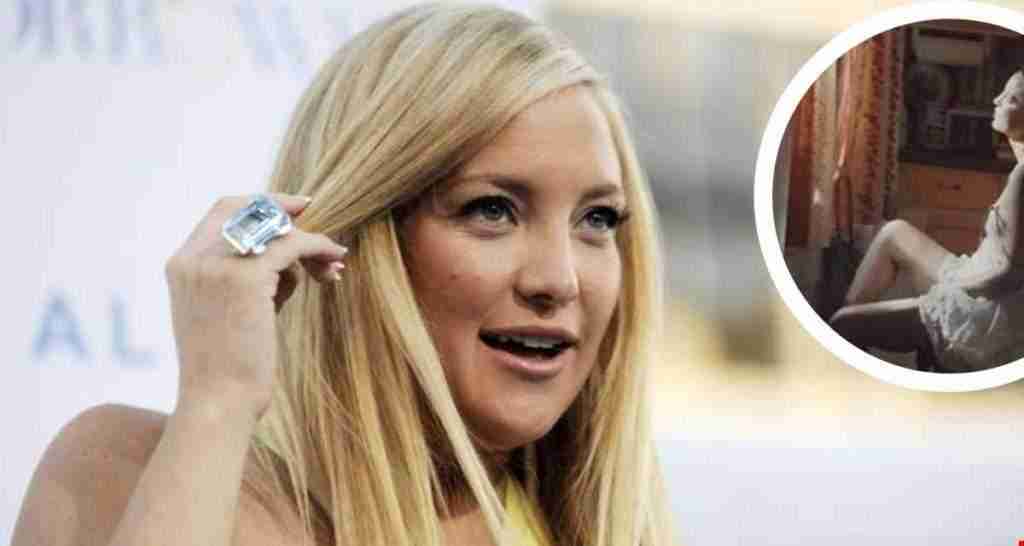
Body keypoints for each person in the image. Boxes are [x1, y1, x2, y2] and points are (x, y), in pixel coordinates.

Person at [11, 4, 675, 546]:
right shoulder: (121, 471)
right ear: (354, 234)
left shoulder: (606, 530)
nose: (560, 279)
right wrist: (218, 397)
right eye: (492, 210)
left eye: (597, 220)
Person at [829, 69, 1024, 373]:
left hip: (987, 312)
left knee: (841, 324)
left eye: (1011, 99)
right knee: (895, 231)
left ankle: (855, 332)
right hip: (984, 281)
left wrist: (955, 286)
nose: (996, 100)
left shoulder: (1022, 177)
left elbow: (1006, 273)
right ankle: (863, 320)